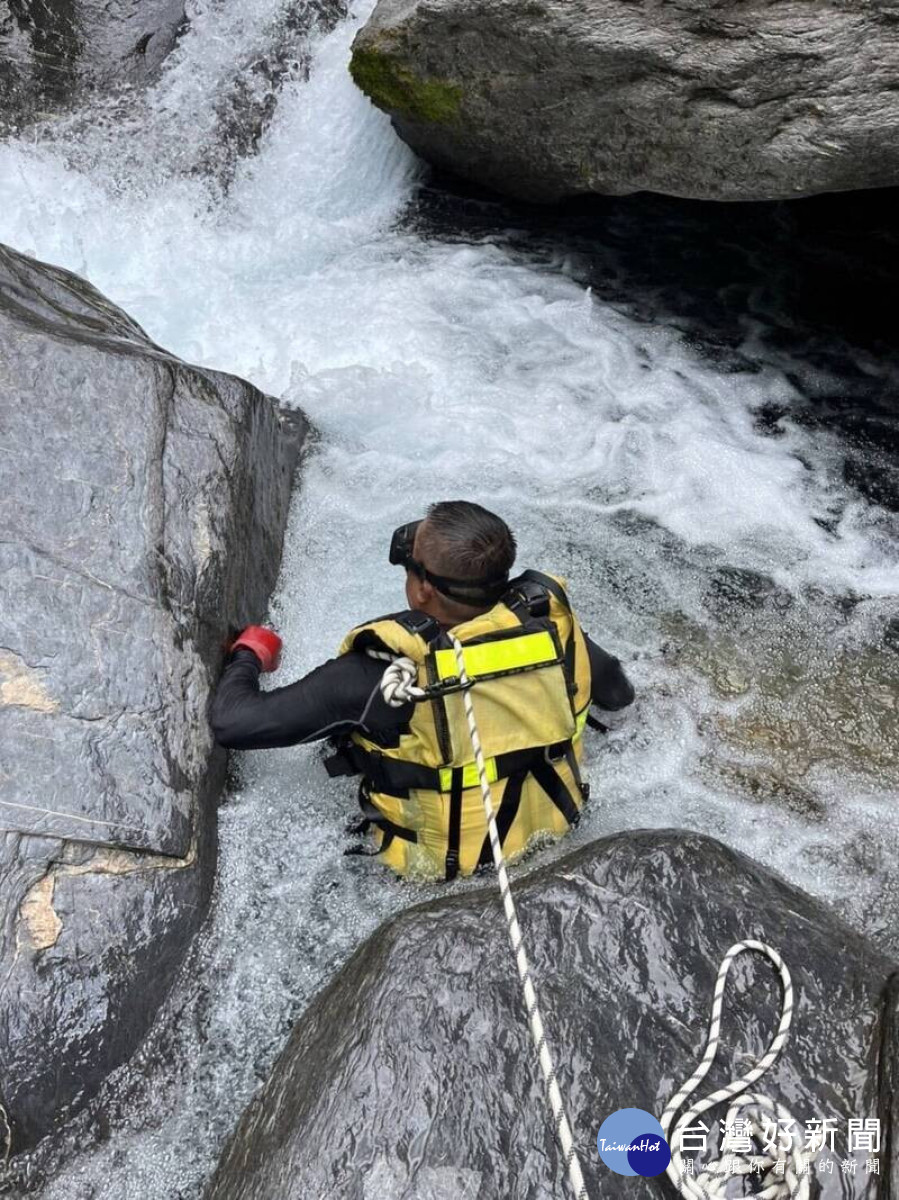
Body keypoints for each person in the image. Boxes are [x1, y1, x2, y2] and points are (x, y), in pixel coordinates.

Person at [210, 500, 634, 881]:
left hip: (432, 874)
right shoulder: (550, 626)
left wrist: (250, 653)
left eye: (410, 559)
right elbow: (618, 693)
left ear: (423, 588)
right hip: (556, 834)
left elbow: (233, 722)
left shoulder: (384, 675)